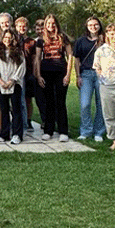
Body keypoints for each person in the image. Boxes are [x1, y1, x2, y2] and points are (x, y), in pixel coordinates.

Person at [35, 14, 73, 142]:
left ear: (56, 24)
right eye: (48, 23)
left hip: (61, 72)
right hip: (46, 72)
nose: (51, 26)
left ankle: (63, 131)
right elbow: (37, 58)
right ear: (45, 25)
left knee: (60, 102)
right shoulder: (41, 40)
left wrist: (68, 75)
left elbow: (70, 56)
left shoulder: (63, 38)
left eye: (53, 23)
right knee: (49, 102)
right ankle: (48, 130)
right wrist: (38, 75)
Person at [93, 23, 115, 152]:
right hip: (107, 87)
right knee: (110, 115)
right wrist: (103, 78)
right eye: (112, 34)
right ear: (107, 35)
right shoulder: (101, 50)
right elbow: (96, 67)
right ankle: (114, 140)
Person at [0, 29, 26, 144]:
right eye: (5, 37)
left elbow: (21, 68)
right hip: (1, 84)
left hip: (15, 84)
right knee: (4, 109)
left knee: (16, 110)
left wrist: (12, 80)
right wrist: (0, 81)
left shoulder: (18, 52)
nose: (7, 40)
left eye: (9, 38)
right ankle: (4, 133)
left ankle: (17, 134)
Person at [74, 16, 105, 141]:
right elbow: (76, 59)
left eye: (96, 24)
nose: (93, 27)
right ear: (87, 26)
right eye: (90, 25)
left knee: (101, 104)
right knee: (85, 104)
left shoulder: (105, 40)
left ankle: (99, 131)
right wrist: (77, 76)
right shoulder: (81, 41)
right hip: (86, 74)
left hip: (102, 75)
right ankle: (86, 130)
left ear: (99, 25)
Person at [15, 16, 37, 132]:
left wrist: (34, 73)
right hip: (16, 72)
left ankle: (28, 120)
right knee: (17, 98)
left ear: (27, 28)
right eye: (19, 26)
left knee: (28, 98)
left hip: (28, 72)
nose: (22, 28)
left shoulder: (32, 42)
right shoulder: (14, 40)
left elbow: (34, 59)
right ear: (16, 27)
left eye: (24, 26)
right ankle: (18, 119)